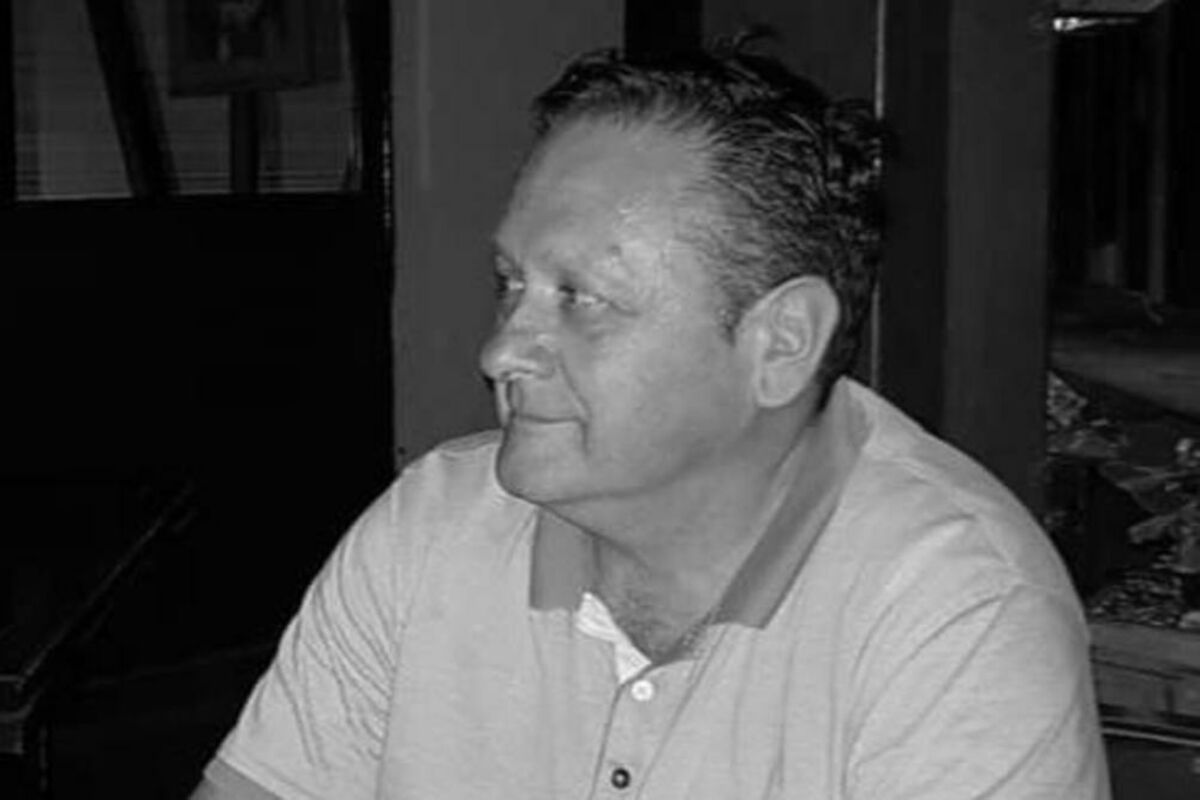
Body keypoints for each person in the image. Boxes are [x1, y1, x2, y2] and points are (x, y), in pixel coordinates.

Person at [194, 45, 1110, 799]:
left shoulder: (956, 610)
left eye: (582, 297)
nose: (502, 350)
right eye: (511, 282)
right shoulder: (433, 527)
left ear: (781, 343)